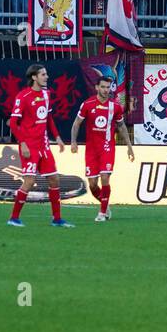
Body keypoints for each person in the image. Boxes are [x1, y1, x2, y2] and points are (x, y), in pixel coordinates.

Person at [7, 64, 72, 228]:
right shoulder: (23, 96)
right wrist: (22, 143)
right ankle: (13, 218)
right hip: (29, 144)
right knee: (29, 181)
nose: (47, 77)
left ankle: (56, 219)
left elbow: (48, 118)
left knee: (54, 179)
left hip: (44, 144)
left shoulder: (46, 94)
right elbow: (13, 123)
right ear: (34, 77)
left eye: (46, 74)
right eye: (43, 74)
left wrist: (57, 137)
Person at [70, 75, 134, 222]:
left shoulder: (115, 106)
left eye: (108, 87)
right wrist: (73, 142)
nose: (106, 90)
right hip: (91, 149)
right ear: (97, 88)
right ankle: (105, 204)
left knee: (105, 177)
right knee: (92, 185)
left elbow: (121, 126)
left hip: (107, 147)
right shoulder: (87, 104)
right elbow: (76, 123)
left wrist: (129, 146)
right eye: (103, 87)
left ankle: (102, 212)